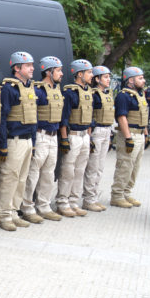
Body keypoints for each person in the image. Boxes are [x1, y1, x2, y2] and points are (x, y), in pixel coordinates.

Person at [0, 51, 38, 231]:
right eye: (28, 66)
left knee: (21, 179)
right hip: (14, 141)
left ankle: (13, 212)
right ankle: (4, 216)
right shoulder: (9, 88)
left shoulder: (30, 87)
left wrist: (33, 142)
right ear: (17, 68)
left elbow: (33, 117)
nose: (32, 69)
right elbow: (2, 119)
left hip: (27, 141)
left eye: (32, 65)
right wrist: (3, 145)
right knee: (8, 178)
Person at [20, 56, 64, 223]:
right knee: (33, 173)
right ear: (49, 71)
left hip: (53, 136)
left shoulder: (57, 90)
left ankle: (44, 206)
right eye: (58, 70)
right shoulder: (37, 90)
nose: (61, 73)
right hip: (40, 135)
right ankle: (27, 207)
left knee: (48, 173)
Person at [55, 59, 94, 217]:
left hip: (85, 136)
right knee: (68, 171)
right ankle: (62, 203)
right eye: (89, 72)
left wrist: (90, 139)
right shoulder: (70, 93)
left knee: (79, 171)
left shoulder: (89, 92)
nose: (92, 75)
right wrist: (64, 139)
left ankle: (74, 202)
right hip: (73, 136)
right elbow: (64, 118)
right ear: (80, 74)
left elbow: (90, 117)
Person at [111, 67, 149, 208]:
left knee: (135, 167)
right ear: (131, 80)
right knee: (125, 166)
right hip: (130, 134)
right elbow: (122, 117)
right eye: (140, 78)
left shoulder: (140, 94)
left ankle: (126, 193)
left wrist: (145, 134)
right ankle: (117, 195)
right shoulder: (123, 95)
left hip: (139, 134)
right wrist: (128, 138)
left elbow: (142, 115)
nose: (143, 80)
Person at [82, 65, 114, 212]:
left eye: (109, 77)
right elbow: (89, 115)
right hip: (96, 131)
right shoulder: (94, 94)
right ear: (97, 79)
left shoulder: (108, 93)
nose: (108, 80)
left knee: (100, 168)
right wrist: (89, 137)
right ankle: (88, 199)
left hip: (107, 131)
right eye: (105, 77)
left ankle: (94, 197)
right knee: (92, 168)